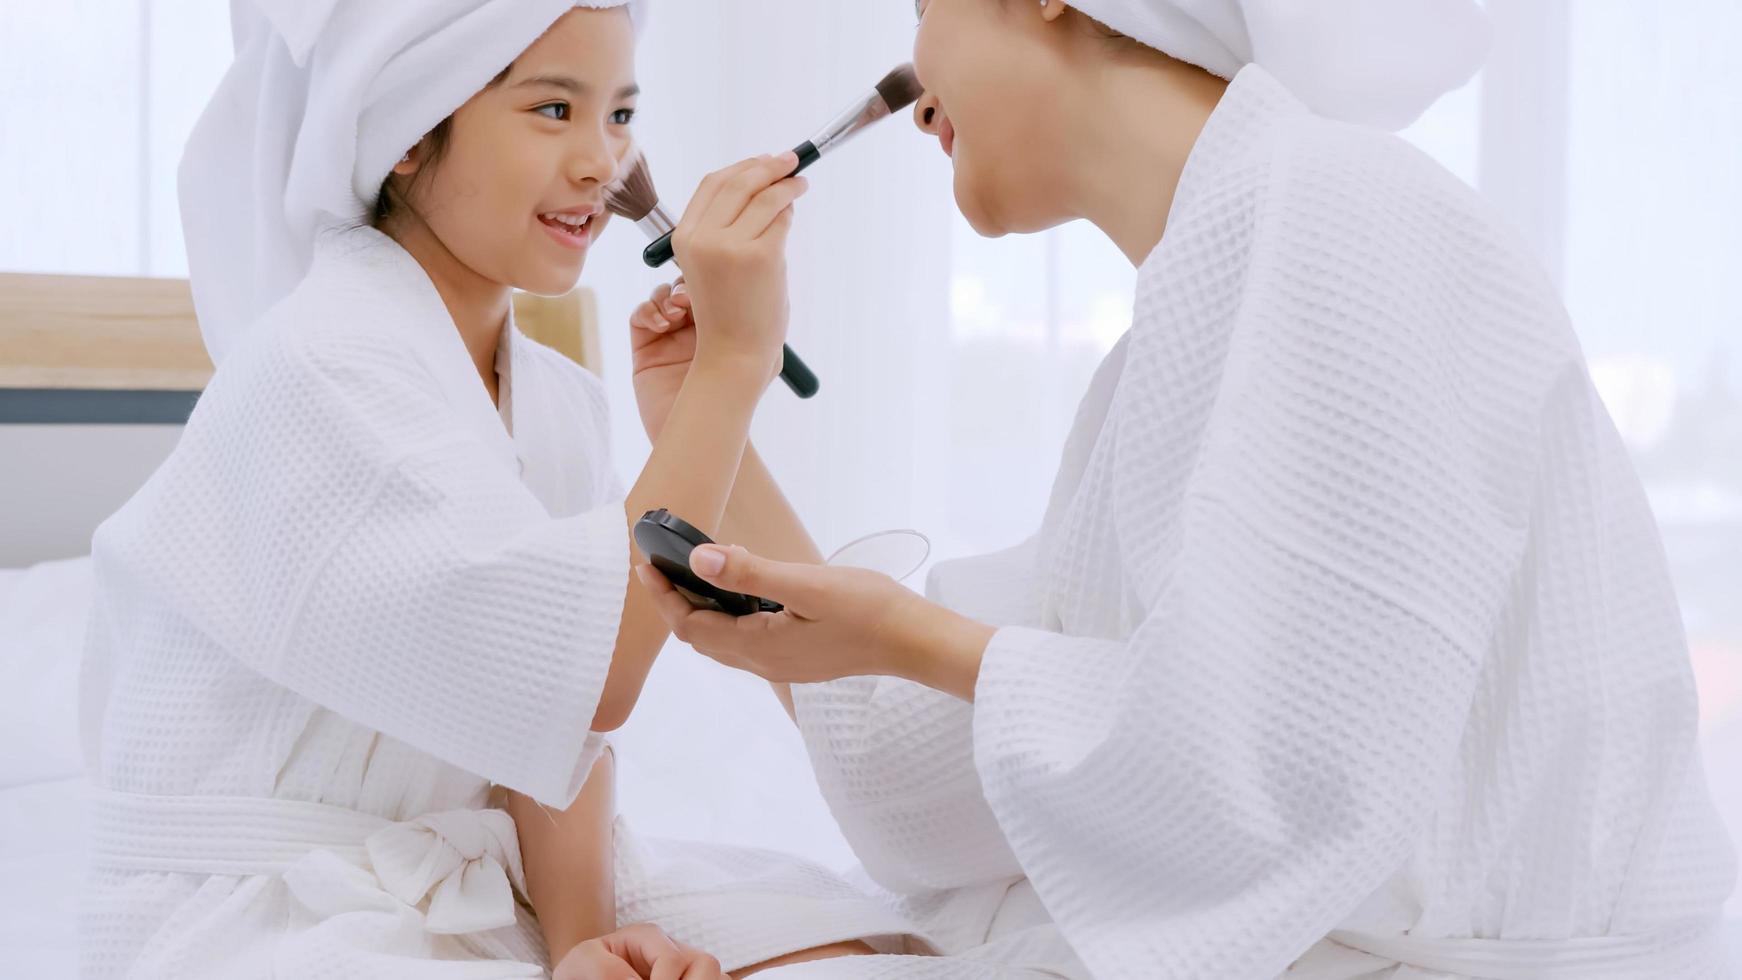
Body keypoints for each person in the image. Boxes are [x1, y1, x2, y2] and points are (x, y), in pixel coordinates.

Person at [634, 0, 1739, 976]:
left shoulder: (1345, 210)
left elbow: (1274, 766)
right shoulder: (1182, 327)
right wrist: (709, 391)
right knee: (697, 905)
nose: (914, 88)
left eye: (924, 3)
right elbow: (929, 768)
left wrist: (905, 634)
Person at [78, 2, 912, 976]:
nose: (603, 161)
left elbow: (549, 735)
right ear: (404, 135)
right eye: (554, 110)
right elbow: (593, 670)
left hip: (474, 873)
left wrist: (582, 944)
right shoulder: (323, 367)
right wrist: (731, 362)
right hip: (268, 907)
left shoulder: (554, 397)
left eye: (621, 114)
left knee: (862, 950)